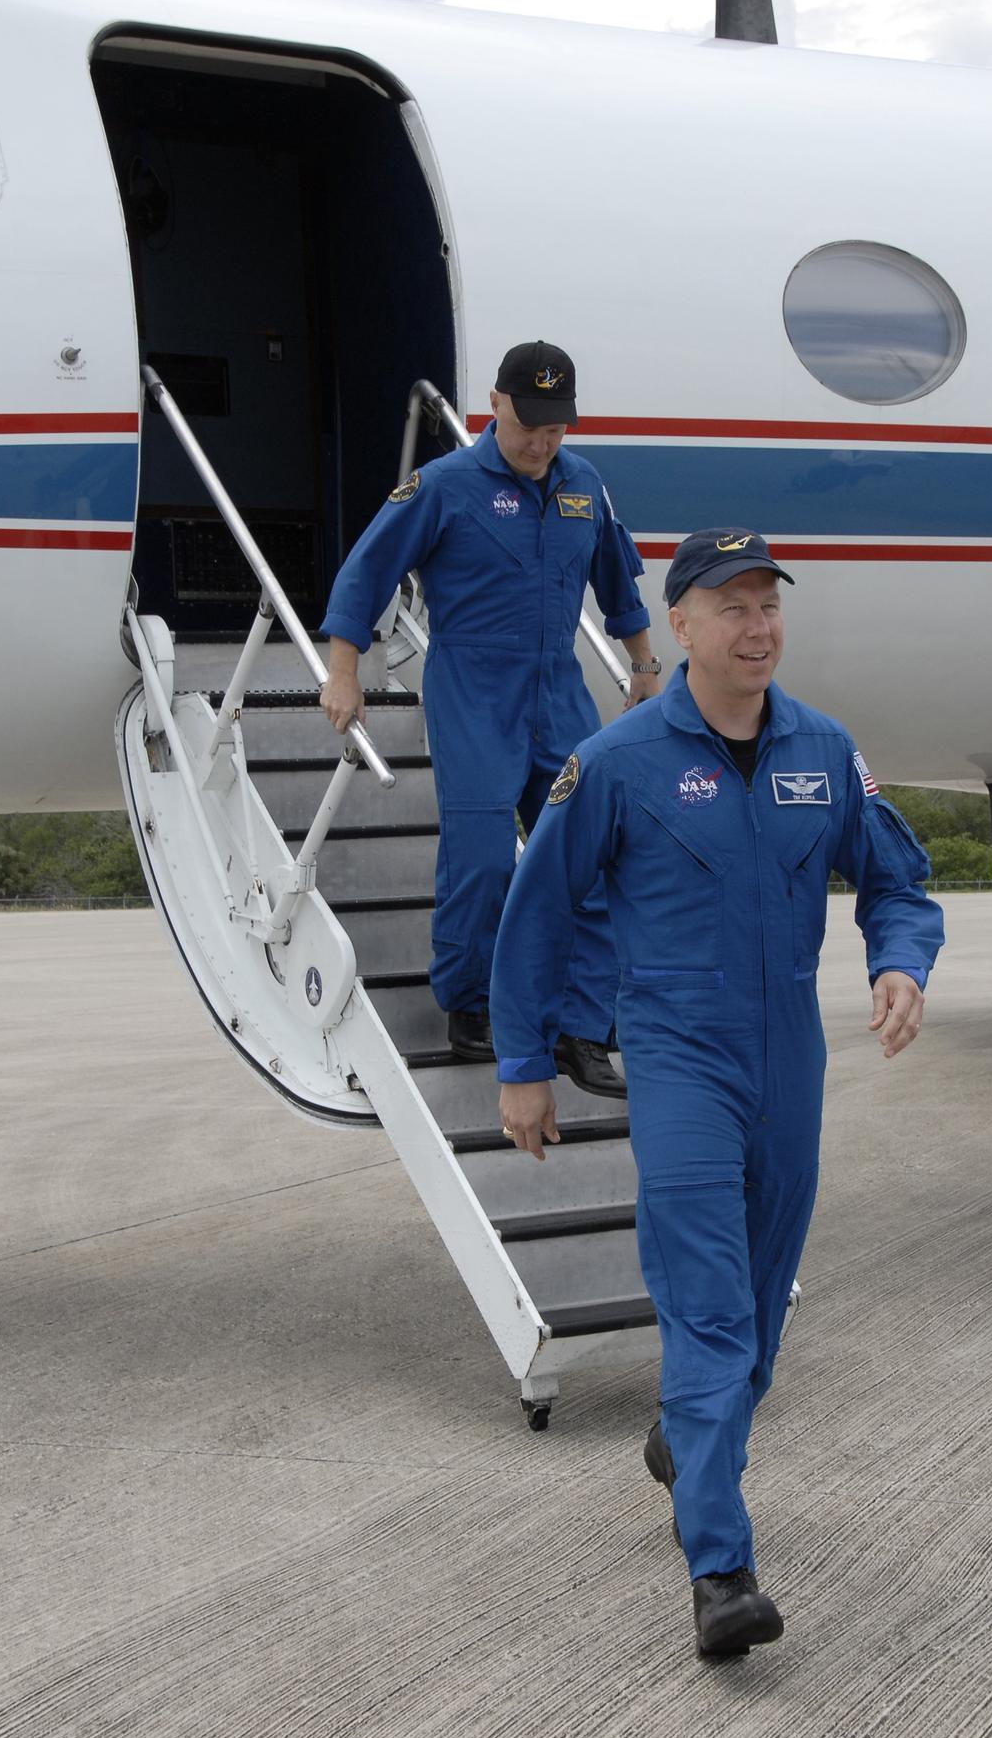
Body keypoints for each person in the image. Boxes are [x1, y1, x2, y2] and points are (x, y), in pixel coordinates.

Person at [490, 527, 945, 1658]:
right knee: (709, 1310)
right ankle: (721, 1571)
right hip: (679, 1052)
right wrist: (523, 1066)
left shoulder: (824, 751)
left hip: (789, 1053)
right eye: (731, 607)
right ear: (679, 624)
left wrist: (899, 962)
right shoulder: (618, 762)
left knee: (761, 1312)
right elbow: (536, 915)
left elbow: (897, 881)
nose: (757, 627)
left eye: (767, 605)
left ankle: (685, 1442)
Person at [319, 341, 660, 1095]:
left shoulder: (583, 485)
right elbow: (365, 574)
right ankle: (472, 1006)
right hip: (472, 690)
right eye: (528, 425)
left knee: (588, 852)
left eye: (556, 429)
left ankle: (580, 1028)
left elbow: (618, 580)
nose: (541, 443)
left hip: (558, 689)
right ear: (495, 405)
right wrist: (343, 673)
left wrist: (643, 664)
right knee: (479, 861)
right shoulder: (443, 486)